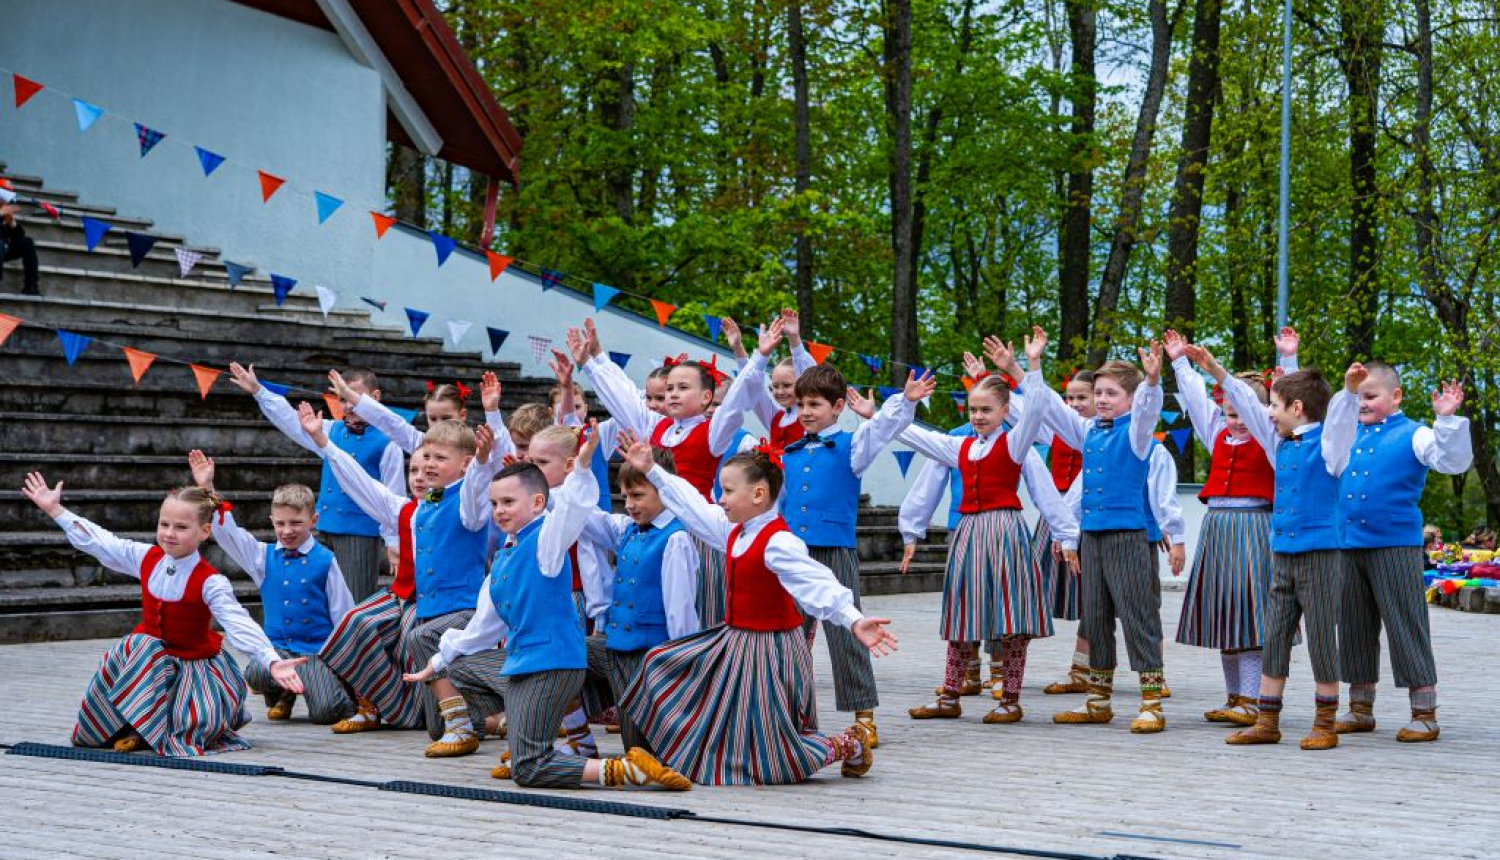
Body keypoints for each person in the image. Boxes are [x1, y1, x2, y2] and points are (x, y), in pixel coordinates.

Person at [407, 432, 692, 792]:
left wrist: (583, 467)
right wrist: (437, 661)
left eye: (509, 501)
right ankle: (538, 738)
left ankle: (623, 770)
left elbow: (574, 509)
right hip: (527, 663)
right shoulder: (506, 554)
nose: (500, 511)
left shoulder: (546, 541)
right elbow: (483, 625)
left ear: (539, 502)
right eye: (495, 503)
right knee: (460, 667)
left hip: (551, 666)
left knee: (528, 770)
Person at [617, 439, 895, 784]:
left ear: (759, 495)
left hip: (771, 650)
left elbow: (818, 582)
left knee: (774, 757)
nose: (720, 498)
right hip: (735, 641)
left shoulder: (778, 542)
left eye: (729, 491)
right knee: (659, 661)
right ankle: (677, 751)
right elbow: (692, 505)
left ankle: (848, 744)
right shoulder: (734, 530)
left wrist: (853, 619)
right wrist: (653, 472)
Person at [715, 318, 925, 742]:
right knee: (791, 632)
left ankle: (863, 716)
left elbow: (882, 429)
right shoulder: (785, 451)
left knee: (846, 630)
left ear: (837, 408)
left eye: (815, 405)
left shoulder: (852, 446)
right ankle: (791, 709)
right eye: (801, 404)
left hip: (834, 550)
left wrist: (903, 402)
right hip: (790, 552)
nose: (806, 412)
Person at [23, 473, 304, 756]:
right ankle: (131, 724)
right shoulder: (147, 557)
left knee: (171, 686)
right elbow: (101, 542)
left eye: (181, 527)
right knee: (141, 644)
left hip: (192, 668)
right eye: (164, 524)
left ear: (204, 532)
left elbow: (238, 621)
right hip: (146, 664)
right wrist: (56, 511)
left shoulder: (210, 581)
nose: (169, 533)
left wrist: (271, 660)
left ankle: (150, 731)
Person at [300, 406, 497, 757]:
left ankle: (479, 719)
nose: (428, 467)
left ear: (464, 463)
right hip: (419, 602)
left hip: (459, 606)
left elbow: (475, 494)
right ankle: (386, 704)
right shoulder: (417, 506)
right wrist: (324, 444)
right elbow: (363, 485)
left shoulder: (469, 507)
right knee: (355, 622)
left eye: (439, 458)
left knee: (416, 638)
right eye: (422, 460)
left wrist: (482, 464)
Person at [899, 330, 1051, 723]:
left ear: (1004, 412)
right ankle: (951, 694)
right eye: (973, 410)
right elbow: (918, 438)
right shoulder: (960, 445)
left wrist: (1032, 366)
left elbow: (1035, 411)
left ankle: (1010, 698)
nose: (978, 417)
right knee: (961, 613)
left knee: (1011, 615)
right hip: (968, 531)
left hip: (1005, 531)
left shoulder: (1017, 444)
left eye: (986, 410)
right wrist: (891, 411)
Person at [1204, 360, 1346, 749]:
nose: (1268, 412)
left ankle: (1325, 723)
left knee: (1319, 637)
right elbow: (1249, 406)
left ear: (1297, 409)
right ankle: (1267, 720)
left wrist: (1348, 390)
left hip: (1319, 555)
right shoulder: (1279, 444)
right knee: (1275, 635)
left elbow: (1340, 422)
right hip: (1282, 553)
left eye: (1276, 405)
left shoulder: (1330, 446)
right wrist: (1216, 371)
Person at [1326, 363, 1470, 742]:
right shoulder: (1346, 434)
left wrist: (1447, 420)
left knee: (1406, 623)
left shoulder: (1415, 434)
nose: (1364, 403)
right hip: (1348, 544)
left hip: (1395, 545)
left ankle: (1424, 711)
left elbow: (1451, 461)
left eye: (1371, 396)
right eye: (1359, 397)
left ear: (1396, 396)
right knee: (1354, 626)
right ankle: (1360, 708)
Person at [1162, 327, 1297, 726]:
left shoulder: (1271, 438)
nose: (1235, 421)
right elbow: (1198, 402)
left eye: (1241, 414)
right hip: (1218, 528)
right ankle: (1235, 696)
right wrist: (1180, 362)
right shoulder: (1218, 431)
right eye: (1230, 413)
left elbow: (1284, 402)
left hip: (1254, 527)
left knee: (1252, 615)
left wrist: (1287, 361)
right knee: (1226, 614)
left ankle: (1255, 699)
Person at [1034, 340, 1169, 732]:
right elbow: (1053, 408)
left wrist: (1154, 379)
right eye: (1098, 393)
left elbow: (1148, 410)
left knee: (1137, 616)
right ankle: (1098, 699)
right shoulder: (1090, 430)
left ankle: (1152, 702)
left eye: (1111, 393)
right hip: (1092, 535)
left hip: (1127, 536)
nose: (1102, 399)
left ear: (1130, 397)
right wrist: (1028, 365)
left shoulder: (1137, 434)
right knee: (1095, 617)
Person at [189, 451, 356, 724]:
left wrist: (343, 666)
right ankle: (281, 694)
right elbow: (229, 535)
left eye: (296, 523)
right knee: (254, 672)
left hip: (314, 653)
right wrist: (207, 488)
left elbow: (343, 612)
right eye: (280, 523)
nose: (287, 530)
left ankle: (320, 687)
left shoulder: (326, 560)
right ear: (272, 521)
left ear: (313, 521)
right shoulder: (262, 557)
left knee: (328, 712)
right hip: (277, 650)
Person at [230, 363, 403, 601]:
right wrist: (259, 391)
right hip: (323, 527)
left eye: (354, 398)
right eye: (342, 400)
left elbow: (394, 495)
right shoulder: (331, 430)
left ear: (375, 397)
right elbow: (291, 421)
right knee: (314, 596)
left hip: (359, 534)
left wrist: (394, 542)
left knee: (354, 600)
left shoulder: (389, 442)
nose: (348, 406)